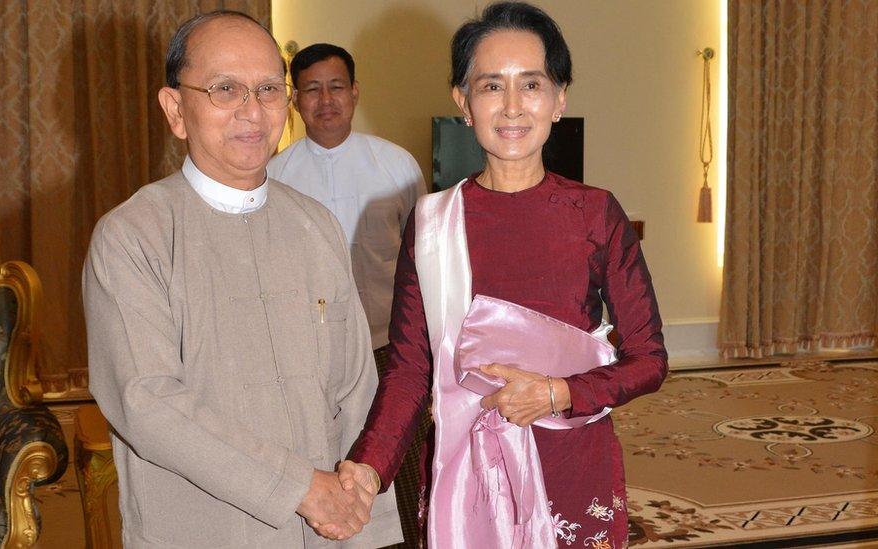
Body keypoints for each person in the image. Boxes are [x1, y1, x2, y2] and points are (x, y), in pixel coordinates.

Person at [339, 2, 668, 548]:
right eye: (491, 86)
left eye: (532, 84)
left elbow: (650, 358)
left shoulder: (594, 214)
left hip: (571, 460)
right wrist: (369, 467)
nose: (512, 106)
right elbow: (408, 371)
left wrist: (558, 392)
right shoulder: (431, 222)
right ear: (462, 102)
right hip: (465, 473)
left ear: (559, 98)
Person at [82, 10, 401, 548]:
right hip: (202, 528)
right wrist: (299, 488)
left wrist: (362, 507)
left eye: (269, 89)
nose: (252, 111)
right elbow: (149, 402)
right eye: (225, 89)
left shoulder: (314, 224)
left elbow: (354, 385)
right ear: (176, 109)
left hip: (329, 530)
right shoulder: (132, 237)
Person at [267, 42, 428, 546]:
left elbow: (425, 260)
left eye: (336, 86)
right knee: (325, 460)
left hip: (388, 346)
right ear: (295, 101)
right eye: (312, 89)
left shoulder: (396, 165)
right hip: (311, 352)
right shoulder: (274, 175)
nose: (326, 99)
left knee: (405, 459)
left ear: (355, 93)